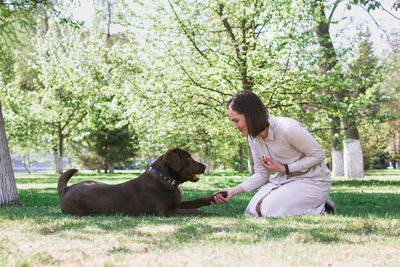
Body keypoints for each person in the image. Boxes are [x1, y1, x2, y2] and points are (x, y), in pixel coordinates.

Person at [213, 90, 336, 217]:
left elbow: (318, 155)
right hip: (283, 180)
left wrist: (285, 168)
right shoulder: (253, 138)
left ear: (250, 115)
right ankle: (304, 203)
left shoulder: (288, 129)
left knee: (268, 210)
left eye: (236, 120)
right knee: (253, 211)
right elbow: (262, 174)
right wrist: (232, 191)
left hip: (312, 180)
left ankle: (322, 207)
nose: (235, 126)